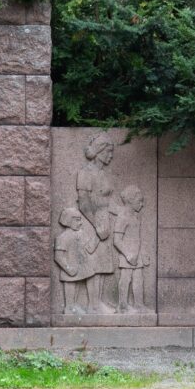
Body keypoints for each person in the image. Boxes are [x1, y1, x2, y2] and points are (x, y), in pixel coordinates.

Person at [76, 132, 116, 313]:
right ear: (99, 151)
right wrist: (96, 225)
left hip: (103, 219)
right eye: (108, 151)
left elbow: (106, 200)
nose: (111, 156)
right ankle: (93, 304)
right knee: (93, 263)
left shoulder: (102, 173)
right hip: (90, 221)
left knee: (101, 264)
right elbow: (83, 204)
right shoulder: (85, 173)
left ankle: (96, 303)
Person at [54, 207, 100, 314]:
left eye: (80, 219)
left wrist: (98, 237)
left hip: (84, 266)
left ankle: (92, 305)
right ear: (68, 221)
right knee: (70, 283)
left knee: (91, 278)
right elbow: (58, 256)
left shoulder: (82, 233)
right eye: (77, 220)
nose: (80, 223)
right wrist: (68, 269)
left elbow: (90, 248)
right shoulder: (63, 237)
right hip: (71, 268)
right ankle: (69, 307)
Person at [113, 185, 151, 313]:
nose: (142, 204)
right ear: (130, 201)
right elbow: (116, 240)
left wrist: (143, 253)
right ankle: (122, 305)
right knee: (125, 279)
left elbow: (139, 238)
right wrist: (128, 255)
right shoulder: (122, 217)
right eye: (139, 201)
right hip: (127, 255)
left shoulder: (136, 217)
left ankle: (139, 304)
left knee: (139, 280)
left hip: (137, 254)